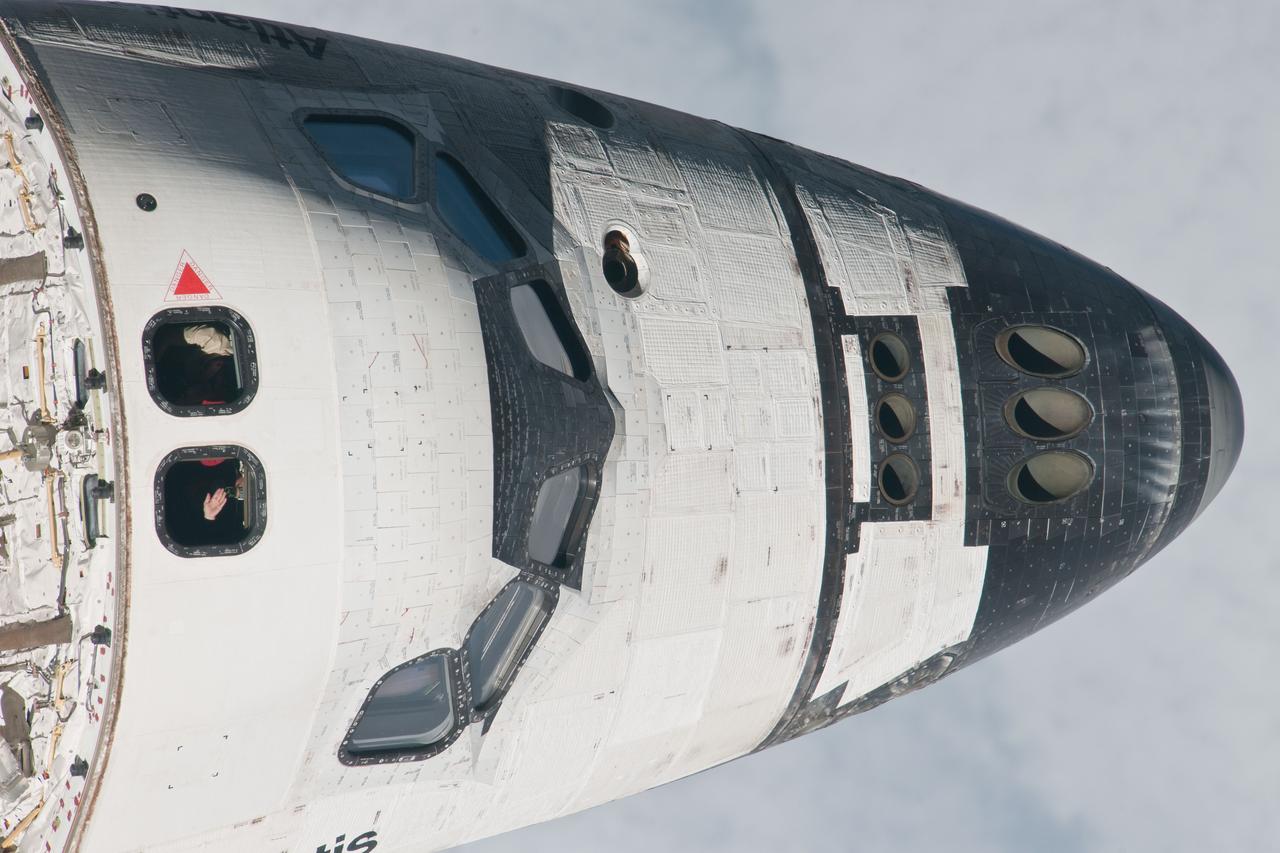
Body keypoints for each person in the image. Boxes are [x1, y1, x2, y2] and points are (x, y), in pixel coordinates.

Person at [163, 459, 245, 547]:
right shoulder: (188, 526)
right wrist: (209, 517)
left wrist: (239, 476)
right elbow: (208, 541)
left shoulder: (208, 466)